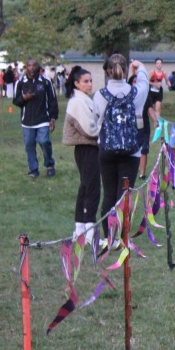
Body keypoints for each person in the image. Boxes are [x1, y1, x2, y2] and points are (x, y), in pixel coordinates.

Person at [94, 55, 148, 221]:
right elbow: (144, 80)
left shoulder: (100, 95)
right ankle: (121, 233)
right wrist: (139, 66)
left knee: (109, 195)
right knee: (124, 196)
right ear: (126, 70)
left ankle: (108, 233)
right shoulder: (136, 92)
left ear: (108, 71)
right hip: (131, 152)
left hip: (107, 150)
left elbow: (95, 120)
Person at [62, 66, 101, 240]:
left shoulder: (84, 99)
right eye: (86, 81)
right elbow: (89, 129)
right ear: (77, 83)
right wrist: (103, 129)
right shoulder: (78, 101)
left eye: (91, 81)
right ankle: (89, 230)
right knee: (92, 188)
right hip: (86, 148)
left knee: (86, 186)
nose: (90, 84)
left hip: (89, 148)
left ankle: (80, 229)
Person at [13, 59, 59, 178]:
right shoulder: (20, 83)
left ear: (38, 67)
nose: (32, 68)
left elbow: (53, 100)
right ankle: (33, 170)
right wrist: (24, 98)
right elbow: (16, 101)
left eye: (34, 65)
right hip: (27, 121)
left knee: (44, 141)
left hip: (43, 119)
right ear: (26, 68)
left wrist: (53, 118)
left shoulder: (46, 82)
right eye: (29, 65)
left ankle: (49, 165)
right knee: (29, 145)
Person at [137, 69, 163, 179]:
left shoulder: (144, 95)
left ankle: (142, 173)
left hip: (143, 125)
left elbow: (149, 108)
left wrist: (155, 120)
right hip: (130, 126)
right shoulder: (128, 94)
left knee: (143, 150)